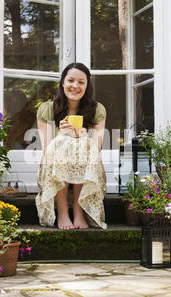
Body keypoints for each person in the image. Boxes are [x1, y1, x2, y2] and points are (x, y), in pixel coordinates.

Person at [35, 62, 107, 230]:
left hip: (86, 164)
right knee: (61, 146)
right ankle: (62, 212)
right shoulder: (48, 109)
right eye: (71, 80)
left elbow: (96, 149)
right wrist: (63, 136)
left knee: (83, 148)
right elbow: (47, 150)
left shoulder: (97, 110)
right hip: (53, 166)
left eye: (81, 82)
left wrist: (82, 137)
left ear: (87, 86)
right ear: (63, 82)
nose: (75, 86)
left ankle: (78, 211)